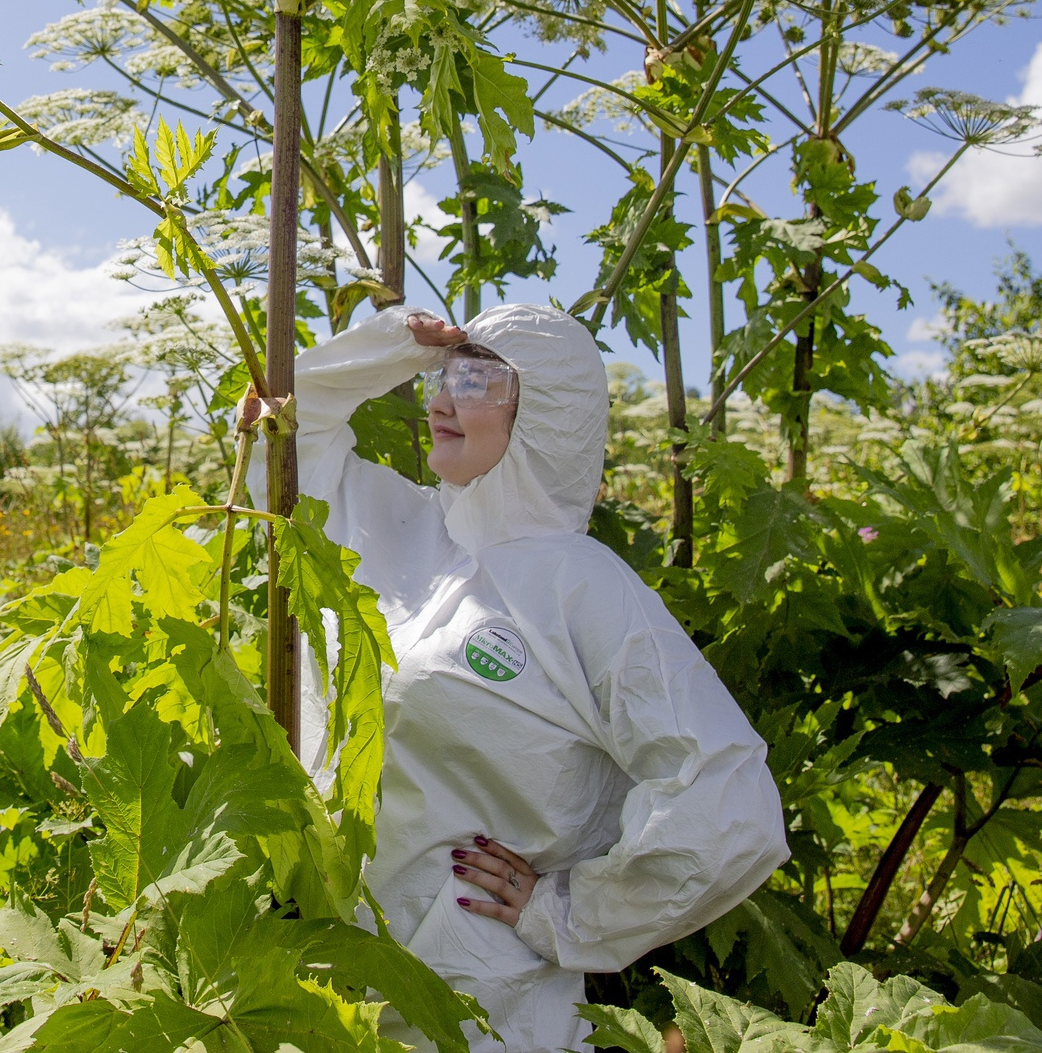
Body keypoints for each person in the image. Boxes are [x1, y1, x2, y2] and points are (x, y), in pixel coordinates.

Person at [272, 302, 788, 1053]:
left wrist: (568, 913)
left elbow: (728, 799)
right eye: (448, 375)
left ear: (545, 413)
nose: (445, 399)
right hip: (332, 982)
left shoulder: (581, 588)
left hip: (482, 1004)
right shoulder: (395, 524)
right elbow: (284, 444)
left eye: (480, 379)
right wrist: (393, 345)